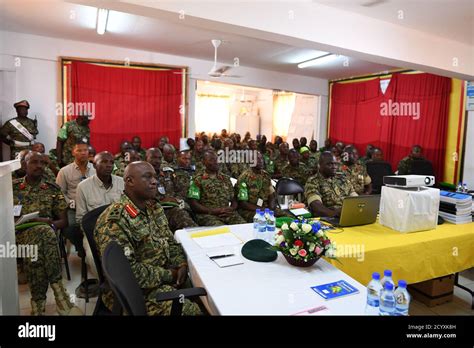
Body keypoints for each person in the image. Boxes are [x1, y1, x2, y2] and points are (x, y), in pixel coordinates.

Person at [94, 162, 202, 315]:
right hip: (141, 291)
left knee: (207, 292)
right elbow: (129, 273)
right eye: (147, 177)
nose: (155, 181)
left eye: (155, 177)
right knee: (192, 312)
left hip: (167, 275)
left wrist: (181, 264)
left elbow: (170, 241)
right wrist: (169, 275)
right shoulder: (114, 221)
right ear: (129, 181)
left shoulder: (154, 207)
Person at [13, 151, 82, 315]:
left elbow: (63, 221)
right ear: (24, 164)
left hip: (44, 236)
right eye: (34, 162)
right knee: (44, 235)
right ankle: (60, 294)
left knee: (38, 246)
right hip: (17, 236)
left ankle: (38, 304)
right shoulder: (12, 188)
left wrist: (48, 223)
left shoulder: (52, 189)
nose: (39, 166)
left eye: (43, 163)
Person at [76, 151, 124, 276]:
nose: (109, 165)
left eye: (111, 162)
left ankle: (123, 285)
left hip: (121, 230)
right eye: (104, 162)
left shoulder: (122, 182)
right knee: (92, 259)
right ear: (94, 165)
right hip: (94, 233)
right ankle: (104, 284)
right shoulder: (83, 187)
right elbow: (80, 218)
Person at [56, 141, 96, 255]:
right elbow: (60, 192)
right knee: (70, 229)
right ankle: (81, 249)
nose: (83, 153)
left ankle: (93, 250)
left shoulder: (95, 169)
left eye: (85, 150)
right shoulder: (64, 171)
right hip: (73, 208)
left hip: (92, 206)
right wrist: (70, 203)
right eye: (79, 150)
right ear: (73, 152)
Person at [188, 151, 246, 226]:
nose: (216, 162)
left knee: (243, 226)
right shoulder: (197, 179)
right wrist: (213, 211)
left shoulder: (225, 178)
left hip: (227, 213)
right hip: (208, 215)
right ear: (204, 162)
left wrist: (232, 208)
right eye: (211, 160)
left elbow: (234, 198)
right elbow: (193, 203)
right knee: (221, 231)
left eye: (217, 159)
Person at [146, 148, 197, 232]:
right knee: (180, 216)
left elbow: (181, 191)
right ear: (146, 158)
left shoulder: (168, 173)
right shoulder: (141, 178)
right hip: (154, 212)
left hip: (174, 208)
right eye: (153, 158)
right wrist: (162, 201)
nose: (157, 161)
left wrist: (175, 200)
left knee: (184, 217)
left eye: (159, 158)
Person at [304, 152, 358, 217]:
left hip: (348, 214)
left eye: (335, 164)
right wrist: (333, 214)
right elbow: (316, 205)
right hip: (328, 218)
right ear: (319, 165)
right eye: (329, 164)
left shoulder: (342, 178)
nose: (334, 167)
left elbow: (354, 197)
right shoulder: (313, 181)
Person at [236, 152, 278, 222]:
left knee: (288, 215)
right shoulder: (244, 177)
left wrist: (271, 208)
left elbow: (271, 194)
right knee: (264, 220)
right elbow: (243, 203)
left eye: (261, 158)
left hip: (266, 207)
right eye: (257, 159)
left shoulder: (266, 175)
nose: (261, 161)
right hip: (250, 210)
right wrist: (262, 210)